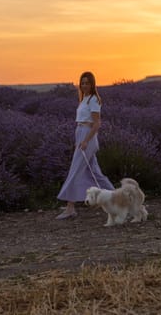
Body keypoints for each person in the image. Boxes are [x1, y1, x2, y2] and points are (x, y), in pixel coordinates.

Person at [55, 71, 115, 219]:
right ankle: (118, 199)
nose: (84, 85)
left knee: (75, 171)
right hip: (81, 134)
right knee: (95, 173)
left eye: (87, 83)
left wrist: (86, 141)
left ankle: (70, 208)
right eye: (82, 83)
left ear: (92, 84)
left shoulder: (93, 99)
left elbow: (97, 124)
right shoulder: (84, 99)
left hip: (87, 136)